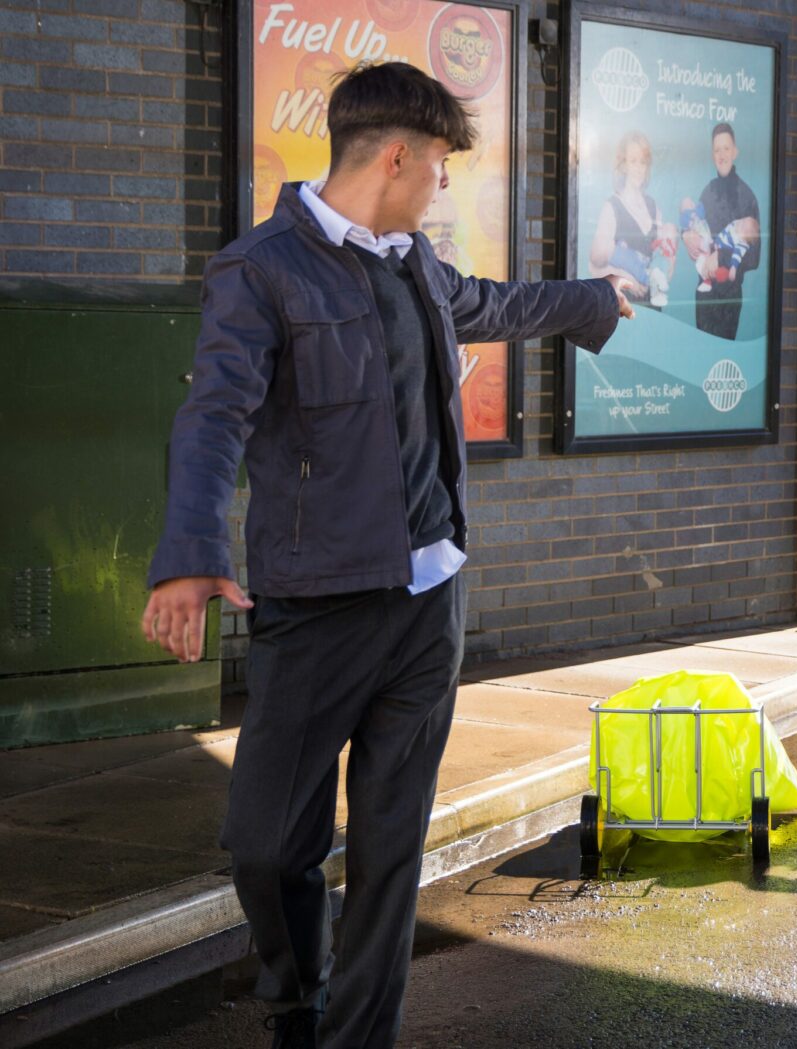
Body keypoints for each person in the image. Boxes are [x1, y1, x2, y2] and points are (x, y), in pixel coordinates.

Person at [138, 62, 633, 1049]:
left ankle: (357, 1035)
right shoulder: (264, 269)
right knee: (268, 843)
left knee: (390, 845)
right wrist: (187, 550)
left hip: (428, 604)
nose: (443, 185)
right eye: (440, 165)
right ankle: (295, 991)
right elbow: (214, 416)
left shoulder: (414, 260)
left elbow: (487, 305)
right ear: (398, 156)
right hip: (317, 605)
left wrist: (591, 302)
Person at [685, 122, 761, 338]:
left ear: (735, 151)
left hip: (729, 299)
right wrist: (687, 236)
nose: (722, 154)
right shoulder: (707, 192)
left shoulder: (747, 197)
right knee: (700, 361)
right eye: (717, 150)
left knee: (721, 366)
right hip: (704, 296)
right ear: (712, 155)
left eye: (726, 148)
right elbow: (693, 224)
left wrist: (722, 256)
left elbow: (754, 257)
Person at [588, 131, 677, 310]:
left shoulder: (653, 207)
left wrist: (669, 257)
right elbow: (594, 266)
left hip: (653, 308)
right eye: (633, 161)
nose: (639, 168)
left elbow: (667, 268)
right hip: (621, 309)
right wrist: (624, 278)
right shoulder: (612, 207)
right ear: (623, 165)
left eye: (643, 162)